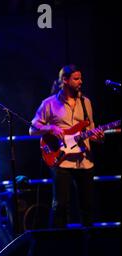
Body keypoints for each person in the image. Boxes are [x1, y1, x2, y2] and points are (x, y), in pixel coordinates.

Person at [29, 65, 104, 228]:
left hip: (84, 160)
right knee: (60, 206)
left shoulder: (86, 102)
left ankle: (88, 248)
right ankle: (58, 247)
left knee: (88, 207)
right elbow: (32, 129)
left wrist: (97, 137)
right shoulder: (49, 103)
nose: (80, 82)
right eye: (76, 79)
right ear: (65, 80)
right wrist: (50, 128)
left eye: (81, 78)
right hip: (61, 160)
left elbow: (90, 129)